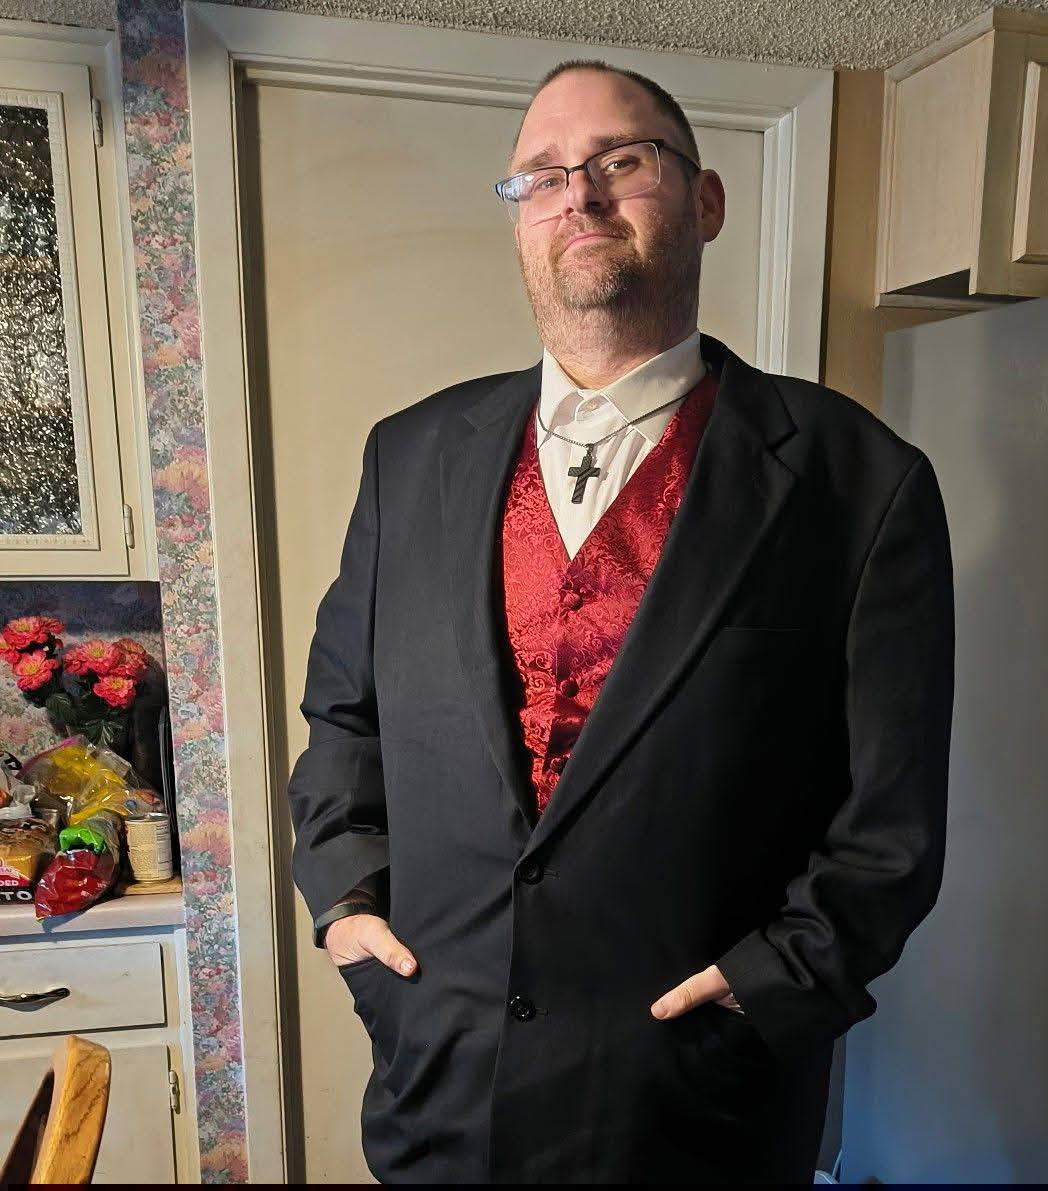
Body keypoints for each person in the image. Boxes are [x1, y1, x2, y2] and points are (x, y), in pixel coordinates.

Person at [285, 57, 955, 1185]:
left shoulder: (859, 480)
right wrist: (349, 906)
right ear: (518, 219)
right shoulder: (409, 456)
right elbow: (345, 717)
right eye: (541, 176)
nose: (579, 196)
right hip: (440, 1084)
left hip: (696, 1108)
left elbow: (890, 820)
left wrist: (772, 988)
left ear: (705, 201)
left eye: (620, 162)